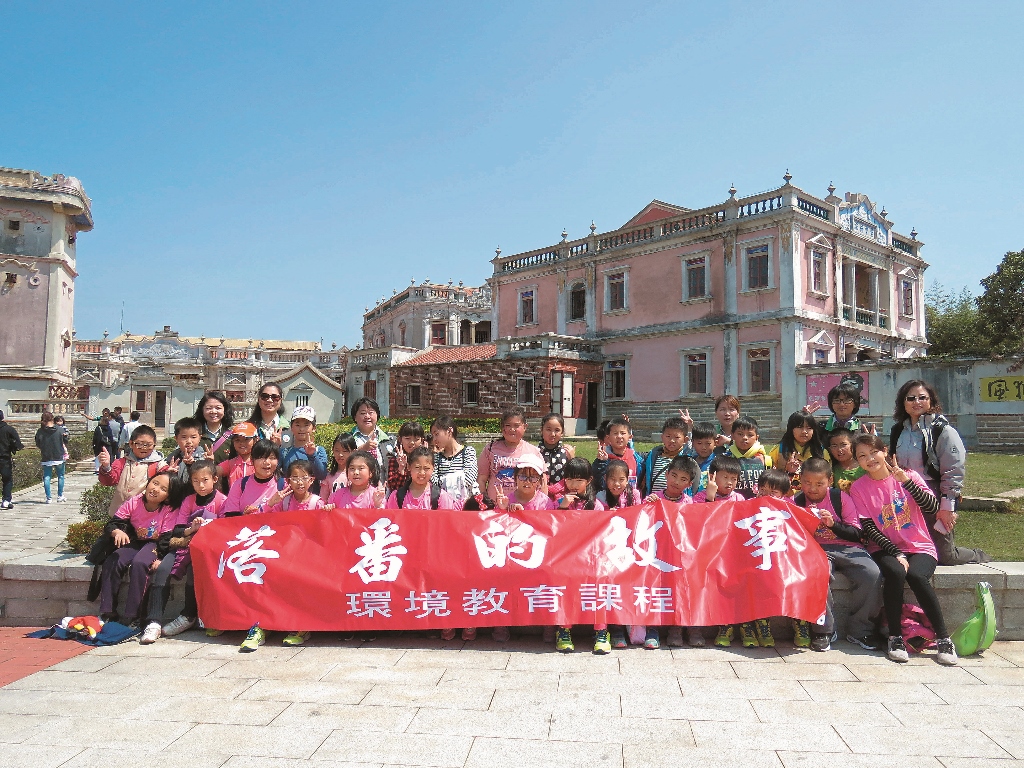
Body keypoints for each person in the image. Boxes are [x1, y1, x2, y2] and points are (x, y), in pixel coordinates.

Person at [849, 433, 958, 665]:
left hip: (919, 545)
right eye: (862, 456)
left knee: (917, 576)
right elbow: (869, 528)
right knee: (896, 573)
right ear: (857, 461)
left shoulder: (909, 476)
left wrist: (906, 482)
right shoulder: (858, 488)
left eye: (874, 452)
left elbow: (932, 507)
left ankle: (944, 638)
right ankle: (895, 637)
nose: (870, 459)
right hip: (883, 547)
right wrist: (896, 553)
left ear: (885, 451)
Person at [890, 379, 987, 565]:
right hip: (905, 493)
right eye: (910, 398)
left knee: (945, 555)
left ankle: (978, 555)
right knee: (911, 547)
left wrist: (947, 506)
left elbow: (954, 470)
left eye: (922, 397)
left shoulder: (942, 430)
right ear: (903, 402)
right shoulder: (898, 430)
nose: (916, 402)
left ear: (931, 401)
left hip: (933, 493)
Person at [794, 457, 883, 652]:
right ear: (800, 481)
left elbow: (857, 533)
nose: (813, 488)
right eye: (807, 483)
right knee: (817, 573)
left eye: (819, 484)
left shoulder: (840, 498)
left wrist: (833, 525)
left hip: (849, 547)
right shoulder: (797, 502)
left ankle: (860, 629)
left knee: (872, 574)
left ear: (830, 481)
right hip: (818, 549)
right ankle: (823, 630)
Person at [144, 460, 227, 643]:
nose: (201, 485)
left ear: (214, 479)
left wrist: (206, 527)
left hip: (207, 549)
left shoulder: (222, 500)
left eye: (205, 480)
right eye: (196, 481)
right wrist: (191, 529)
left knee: (194, 572)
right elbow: (178, 529)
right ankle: (154, 621)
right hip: (185, 545)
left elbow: (224, 529)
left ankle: (188, 616)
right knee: (163, 569)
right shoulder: (189, 501)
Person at [96, 471, 177, 624]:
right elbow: (112, 523)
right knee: (114, 560)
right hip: (134, 541)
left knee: (140, 564)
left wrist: (161, 558)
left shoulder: (168, 510)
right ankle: (108, 612)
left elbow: (166, 540)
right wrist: (117, 531)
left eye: (163, 489)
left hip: (155, 544)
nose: (156, 489)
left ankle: (134, 615)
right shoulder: (134, 502)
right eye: (155, 483)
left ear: (168, 496)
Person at [550, 457, 611, 654]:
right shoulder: (557, 503)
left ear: (589, 480)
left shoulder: (597, 505)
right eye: (569, 480)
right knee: (564, 583)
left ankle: (602, 631)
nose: (573, 485)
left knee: (601, 583)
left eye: (578, 480)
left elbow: (603, 535)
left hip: (591, 559)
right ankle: (563, 630)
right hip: (565, 559)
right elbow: (549, 528)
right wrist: (562, 507)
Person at [477, 407, 543, 507]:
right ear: (502, 427)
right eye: (508, 425)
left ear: (525, 427)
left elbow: (543, 482)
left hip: (524, 508)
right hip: (495, 506)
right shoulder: (490, 449)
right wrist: (485, 500)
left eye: (516, 426)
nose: (512, 429)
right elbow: (481, 479)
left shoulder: (533, 451)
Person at [98, 425, 166, 514]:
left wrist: (170, 473)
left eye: (148, 445)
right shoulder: (122, 462)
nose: (144, 447)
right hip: (119, 513)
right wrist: (106, 466)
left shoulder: (158, 465)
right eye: (140, 444)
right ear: (131, 443)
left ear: (154, 445)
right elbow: (109, 481)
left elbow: (166, 481)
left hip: (144, 515)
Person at [769, 412, 829, 495]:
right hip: (786, 497)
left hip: (813, 497)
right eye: (800, 427)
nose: (804, 431)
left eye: (809, 428)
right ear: (791, 429)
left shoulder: (821, 452)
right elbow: (769, 479)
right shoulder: (779, 450)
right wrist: (787, 471)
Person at [223, 440, 286, 516]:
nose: (267, 462)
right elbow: (230, 518)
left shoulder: (284, 485)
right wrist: (244, 516)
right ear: (252, 461)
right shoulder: (239, 485)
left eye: (272, 458)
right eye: (262, 458)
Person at [386, 447, 456, 510]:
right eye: (417, 468)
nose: (422, 473)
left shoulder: (441, 497)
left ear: (433, 468)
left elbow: (446, 521)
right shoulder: (396, 496)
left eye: (426, 468)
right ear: (409, 467)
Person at [430, 416, 478, 508]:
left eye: (436, 434)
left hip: (467, 506)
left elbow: (469, 478)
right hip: (444, 506)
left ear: (449, 431)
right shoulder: (436, 458)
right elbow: (434, 484)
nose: (434, 439)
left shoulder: (468, 451)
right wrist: (459, 478)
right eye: (433, 436)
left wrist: (445, 481)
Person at [279, 406, 328, 492]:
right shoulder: (284, 452)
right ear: (291, 427)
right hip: (289, 501)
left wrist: (312, 455)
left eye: (306, 425)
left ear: (314, 428)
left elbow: (322, 475)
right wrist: (274, 447)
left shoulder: (319, 451)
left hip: (312, 502)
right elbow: (273, 473)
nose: (301, 429)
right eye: (297, 425)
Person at [722, 416, 772, 498]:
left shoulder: (766, 460)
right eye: (740, 434)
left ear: (757, 438)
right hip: (733, 505)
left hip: (758, 505)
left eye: (750, 435)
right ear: (732, 436)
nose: (745, 438)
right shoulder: (725, 459)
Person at [638, 416, 689, 497]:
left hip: (676, 505)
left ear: (685, 440)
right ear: (662, 437)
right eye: (668, 436)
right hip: (653, 501)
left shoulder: (687, 460)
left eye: (677, 437)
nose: (672, 440)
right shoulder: (653, 456)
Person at [592, 417, 644, 493]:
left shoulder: (637, 459)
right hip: (609, 502)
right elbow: (598, 483)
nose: (619, 436)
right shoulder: (603, 460)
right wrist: (601, 463)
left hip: (632, 501)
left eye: (623, 433)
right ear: (608, 438)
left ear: (630, 437)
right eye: (615, 433)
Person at [349, 397, 394, 470]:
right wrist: (362, 449)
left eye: (371, 412)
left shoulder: (390, 439)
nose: (367, 416)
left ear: (377, 415)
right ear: (355, 417)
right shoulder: (347, 439)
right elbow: (342, 461)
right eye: (363, 413)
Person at [538, 413, 576, 493]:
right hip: (540, 494)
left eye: (557, 430)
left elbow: (575, 474)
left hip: (562, 495)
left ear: (562, 432)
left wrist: (572, 459)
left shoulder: (566, 452)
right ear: (541, 430)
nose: (552, 434)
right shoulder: (535, 452)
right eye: (548, 429)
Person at [193, 391, 235, 464]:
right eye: (208, 408)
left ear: (225, 410)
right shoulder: (194, 435)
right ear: (202, 410)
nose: (213, 411)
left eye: (218, 408)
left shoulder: (232, 437)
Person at [35, 412, 67, 504]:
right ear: (52, 419)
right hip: (58, 455)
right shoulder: (59, 430)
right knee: (60, 476)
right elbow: (65, 440)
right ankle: (60, 496)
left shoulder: (40, 431)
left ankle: (49, 498)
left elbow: (38, 443)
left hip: (46, 456)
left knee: (47, 477)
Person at [217, 422, 258, 493]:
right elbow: (212, 471)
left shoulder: (260, 462)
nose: (241, 443)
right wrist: (209, 462)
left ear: (255, 440)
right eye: (237, 440)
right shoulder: (231, 463)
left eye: (246, 439)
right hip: (235, 503)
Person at [165, 417, 207, 485]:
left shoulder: (204, 457)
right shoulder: (172, 458)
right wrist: (169, 473)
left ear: (200, 438)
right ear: (176, 438)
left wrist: (193, 464)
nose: (189, 441)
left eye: (193, 437)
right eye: (184, 437)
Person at [386, 421, 427, 492]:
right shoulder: (395, 460)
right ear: (400, 439)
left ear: (422, 441)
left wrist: (424, 458)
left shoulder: (428, 459)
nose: (412, 442)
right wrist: (401, 469)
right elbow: (393, 486)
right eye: (407, 438)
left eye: (416, 439)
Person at [247, 383, 290, 449]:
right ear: (258, 399)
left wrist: (279, 447)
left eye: (275, 397)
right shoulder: (247, 427)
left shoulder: (290, 428)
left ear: (281, 400)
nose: (269, 400)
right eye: (265, 396)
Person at [684, 422, 718, 497]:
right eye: (699, 443)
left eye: (708, 443)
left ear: (715, 443)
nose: (703, 447)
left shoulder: (719, 463)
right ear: (693, 443)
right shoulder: (688, 462)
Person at [0, 411, 24, 510]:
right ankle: (6, 500)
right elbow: (18, 444)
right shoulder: (9, 430)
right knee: (7, 479)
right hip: (4, 457)